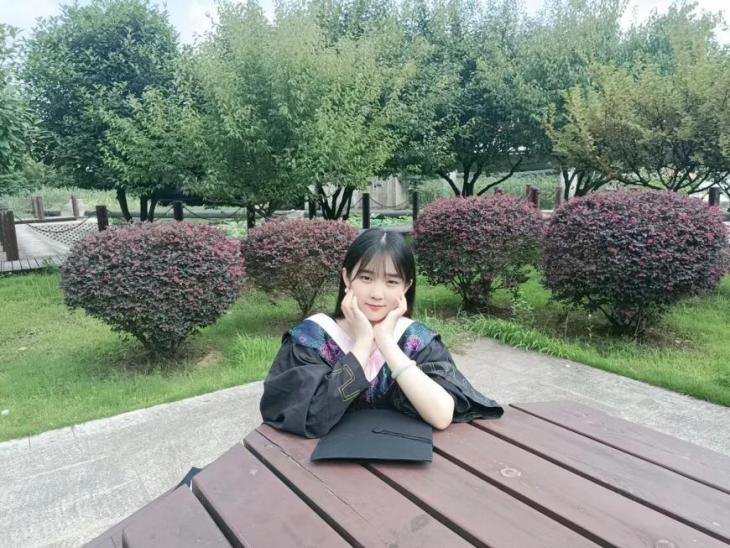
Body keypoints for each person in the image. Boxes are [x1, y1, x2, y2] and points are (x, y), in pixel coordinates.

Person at [259, 228, 504, 438]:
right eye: (366, 277)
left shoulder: (416, 340)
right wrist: (363, 344)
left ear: (406, 287)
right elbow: (312, 418)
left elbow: (441, 416)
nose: (377, 294)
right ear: (347, 277)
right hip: (320, 465)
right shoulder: (312, 338)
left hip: (404, 465)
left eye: (391, 282)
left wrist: (387, 343)